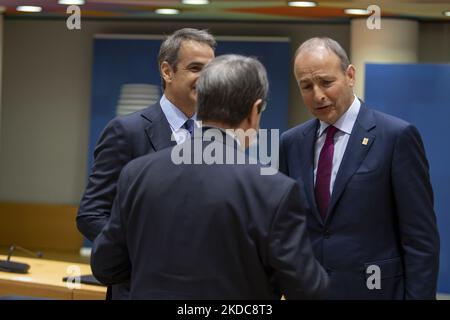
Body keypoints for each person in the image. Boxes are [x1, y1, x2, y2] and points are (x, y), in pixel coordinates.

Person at [90, 54, 329, 299]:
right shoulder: (274, 190)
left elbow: (105, 266)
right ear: (254, 111)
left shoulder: (136, 174)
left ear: (201, 103)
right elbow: (309, 291)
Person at [280, 37, 440, 299]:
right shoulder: (291, 143)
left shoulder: (395, 137)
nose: (317, 95)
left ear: (350, 75)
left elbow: (420, 239)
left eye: (326, 82)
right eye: (306, 86)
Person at [77, 28, 216, 298]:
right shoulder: (126, 131)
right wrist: (141, 252)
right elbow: (91, 214)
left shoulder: (216, 137)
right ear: (167, 71)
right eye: (195, 68)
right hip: (138, 287)